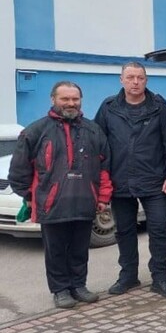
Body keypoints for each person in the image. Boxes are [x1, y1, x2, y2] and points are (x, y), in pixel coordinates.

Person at [9, 81, 113, 308]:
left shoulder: (93, 130)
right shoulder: (36, 131)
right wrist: (30, 195)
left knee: (79, 249)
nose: (71, 103)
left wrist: (103, 197)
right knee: (55, 251)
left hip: (85, 202)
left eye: (75, 99)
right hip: (52, 203)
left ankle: (78, 286)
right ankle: (60, 290)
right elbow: (19, 169)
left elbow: (104, 167)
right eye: (65, 99)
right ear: (53, 99)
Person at [94, 62, 166, 298]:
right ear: (121, 80)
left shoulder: (158, 106)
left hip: (154, 181)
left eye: (140, 78)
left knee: (159, 230)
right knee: (124, 231)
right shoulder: (108, 107)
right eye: (130, 77)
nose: (135, 82)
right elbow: (98, 145)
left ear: (146, 80)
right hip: (120, 181)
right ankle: (128, 276)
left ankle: (160, 278)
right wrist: (100, 179)